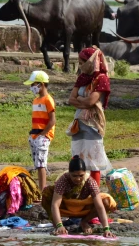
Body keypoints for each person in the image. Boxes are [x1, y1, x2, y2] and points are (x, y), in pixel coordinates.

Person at [68, 47, 113, 187]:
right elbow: (71, 99)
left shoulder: (101, 79)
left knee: (94, 159)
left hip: (93, 123)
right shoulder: (82, 78)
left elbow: (91, 101)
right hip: (79, 122)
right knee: (78, 156)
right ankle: (80, 188)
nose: (81, 66)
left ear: (90, 62)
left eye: (82, 62)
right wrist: (84, 101)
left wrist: (80, 100)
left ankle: (94, 190)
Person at [43, 156, 117, 237]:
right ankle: (56, 226)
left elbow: (100, 206)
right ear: (69, 173)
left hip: (83, 208)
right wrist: (60, 225)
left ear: (85, 173)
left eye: (81, 175)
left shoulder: (90, 181)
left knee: (106, 202)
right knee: (46, 194)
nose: (78, 179)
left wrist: (106, 229)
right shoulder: (63, 180)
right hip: (66, 207)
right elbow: (55, 205)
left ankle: (84, 222)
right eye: (74, 176)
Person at [24, 70, 56, 192]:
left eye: (33, 84)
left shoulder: (48, 100)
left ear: (41, 84)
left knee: (41, 163)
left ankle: (42, 190)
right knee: (37, 164)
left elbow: (52, 120)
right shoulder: (36, 101)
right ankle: (40, 188)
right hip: (34, 135)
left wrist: (43, 134)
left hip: (43, 135)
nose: (32, 87)